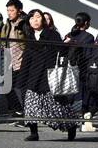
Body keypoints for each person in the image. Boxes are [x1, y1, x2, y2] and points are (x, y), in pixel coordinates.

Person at [22, 10, 78, 141]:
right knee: (30, 104)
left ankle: (71, 125)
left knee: (57, 107)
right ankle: (34, 132)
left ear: (43, 20)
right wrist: (21, 79)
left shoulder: (52, 35)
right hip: (33, 77)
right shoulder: (29, 37)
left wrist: (67, 44)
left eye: (38, 17)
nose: (35, 20)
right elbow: (27, 58)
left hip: (50, 75)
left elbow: (62, 52)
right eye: (31, 18)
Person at [63, 12, 96, 131]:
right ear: (86, 23)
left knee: (70, 94)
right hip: (83, 69)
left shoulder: (69, 35)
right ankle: (84, 120)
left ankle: (66, 118)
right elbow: (89, 54)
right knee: (85, 95)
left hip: (69, 69)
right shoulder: (89, 37)